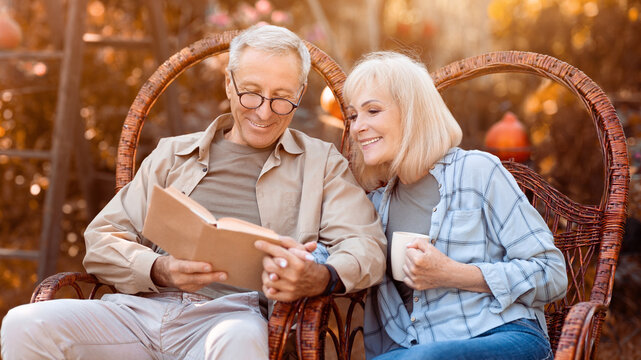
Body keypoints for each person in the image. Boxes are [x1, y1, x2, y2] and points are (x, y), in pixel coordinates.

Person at [0, 25, 386, 360]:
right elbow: (101, 240)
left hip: (233, 317)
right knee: (24, 324)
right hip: (140, 312)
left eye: (282, 97)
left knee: (238, 340)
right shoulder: (172, 154)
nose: (264, 113)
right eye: (251, 92)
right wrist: (159, 269)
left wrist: (319, 277)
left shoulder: (321, 164)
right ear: (229, 85)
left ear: (301, 91)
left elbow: (367, 247)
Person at [343, 52, 568, 360]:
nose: (357, 127)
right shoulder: (375, 207)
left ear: (411, 112)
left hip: (507, 337)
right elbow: (335, 251)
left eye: (372, 110)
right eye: (353, 115)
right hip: (416, 351)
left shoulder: (478, 171)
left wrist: (452, 273)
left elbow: (552, 275)